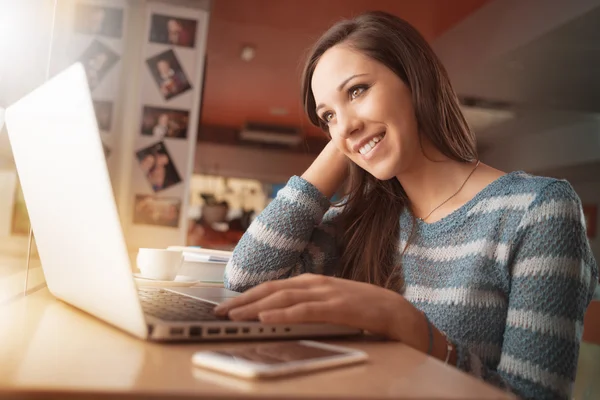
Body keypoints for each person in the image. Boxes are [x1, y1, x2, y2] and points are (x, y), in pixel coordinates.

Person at [213, 11, 598, 400]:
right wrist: (346, 142)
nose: (342, 124)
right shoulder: (361, 222)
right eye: (326, 116)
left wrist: (417, 332)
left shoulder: (538, 210)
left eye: (357, 90)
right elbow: (246, 279)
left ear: (415, 80)